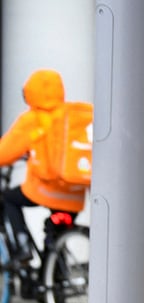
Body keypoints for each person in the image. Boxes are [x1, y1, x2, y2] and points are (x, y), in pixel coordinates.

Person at [0, 69, 86, 262]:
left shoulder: (32, 119)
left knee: (9, 199)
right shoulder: (71, 116)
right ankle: (55, 272)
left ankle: (23, 247)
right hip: (74, 192)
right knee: (55, 232)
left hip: (46, 190)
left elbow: (5, 153)